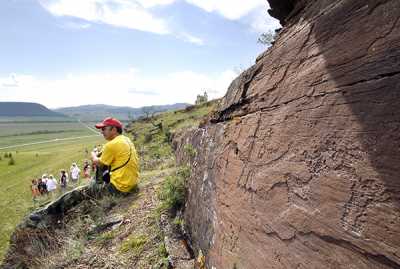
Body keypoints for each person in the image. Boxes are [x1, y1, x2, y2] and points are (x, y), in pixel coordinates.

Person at [91, 117, 139, 196]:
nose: (102, 132)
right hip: (132, 184)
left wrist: (93, 155)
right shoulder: (126, 139)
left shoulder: (111, 145)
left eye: (103, 129)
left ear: (114, 129)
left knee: (83, 192)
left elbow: (99, 163)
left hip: (119, 188)